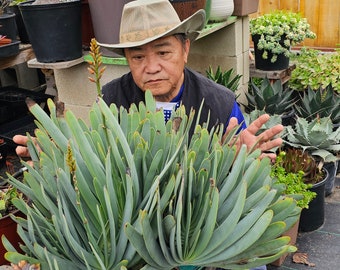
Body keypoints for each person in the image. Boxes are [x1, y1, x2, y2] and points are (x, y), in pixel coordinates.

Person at [14, 1, 281, 269]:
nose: (151, 67)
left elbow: (240, 180)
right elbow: (95, 163)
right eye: (138, 57)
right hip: (134, 238)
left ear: (185, 49)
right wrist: (55, 159)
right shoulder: (112, 101)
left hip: (197, 229)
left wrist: (239, 162)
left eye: (164, 52)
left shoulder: (218, 103)